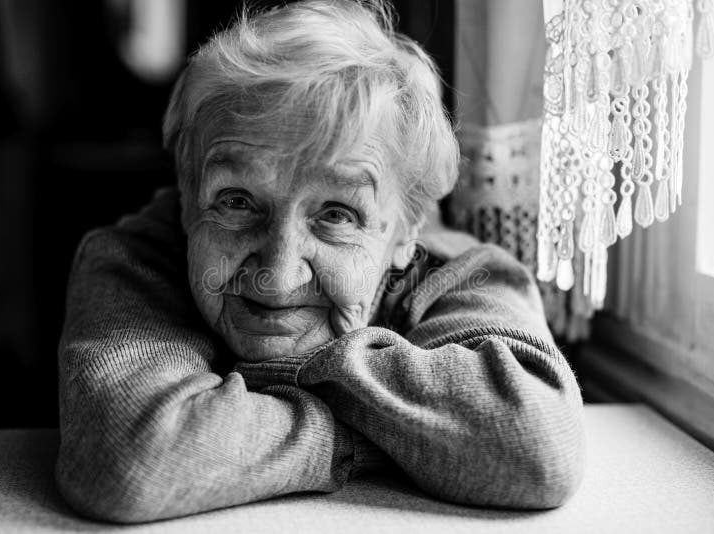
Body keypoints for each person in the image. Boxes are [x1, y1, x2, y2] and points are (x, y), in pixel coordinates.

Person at [55, 0, 585, 523]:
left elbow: (536, 445)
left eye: (337, 214)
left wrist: (242, 414)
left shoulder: (463, 274)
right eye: (237, 201)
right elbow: (130, 463)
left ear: (407, 229)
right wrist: (406, 438)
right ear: (187, 198)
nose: (279, 275)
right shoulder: (135, 259)